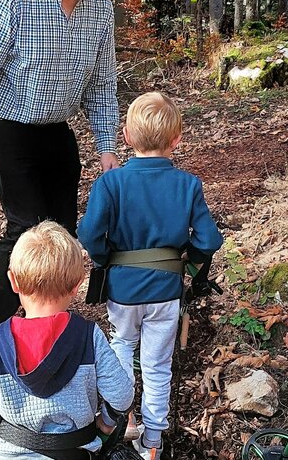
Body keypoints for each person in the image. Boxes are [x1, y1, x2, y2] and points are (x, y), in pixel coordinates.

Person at [0, 0, 120, 358]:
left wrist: (107, 148)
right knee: (27, 229)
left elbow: (102, 87)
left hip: (56, 131)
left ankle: (42, 323)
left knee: (62, 235)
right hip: (7, 126)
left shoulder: (100, 8)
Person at [77, 92, 224, 459]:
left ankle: (117, 419)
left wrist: (106, 259)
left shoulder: (111, 183)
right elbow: (209, 239)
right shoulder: (188, 184)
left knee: (122, 347)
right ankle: (153, 441)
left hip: (123, 290)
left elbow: (89, 234)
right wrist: (188, 265)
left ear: (126, 136)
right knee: (158, 365)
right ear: (176, 139)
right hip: (166, 290)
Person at [0, 220, 133, 459]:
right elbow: (121, 394)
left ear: (13, 281)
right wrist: (107, 420)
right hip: (75, 451)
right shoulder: (87, 336)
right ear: (76, 286)